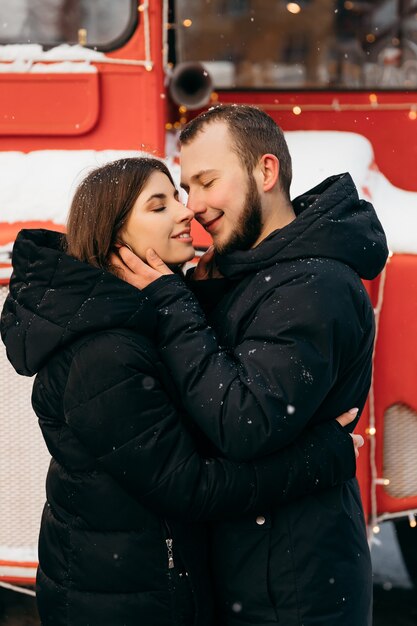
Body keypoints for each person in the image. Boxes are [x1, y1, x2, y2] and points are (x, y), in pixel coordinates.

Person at [0, 157, 363, 626]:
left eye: (177, 196)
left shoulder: (135, 318)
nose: (185, 211)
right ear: (115, 238)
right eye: (159, 206)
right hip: (124, 601)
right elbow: (189, 486)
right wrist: (321, 457)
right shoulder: (104, 352)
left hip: (144, 586)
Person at [111, 105, 389, 626]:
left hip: (292, 591)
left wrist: (175, 303)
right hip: (247, 573)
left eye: (207, 182)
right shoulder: (244, 273)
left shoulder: (314, 286)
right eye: (185, 187)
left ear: (266, 171)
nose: (192, 206)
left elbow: (245, 422)